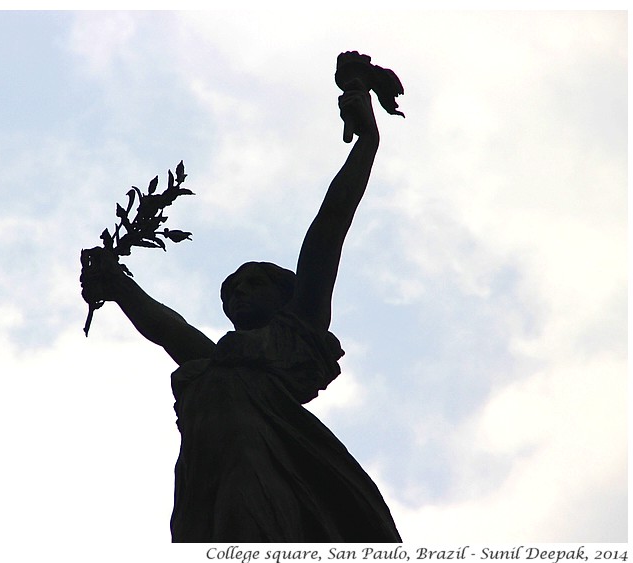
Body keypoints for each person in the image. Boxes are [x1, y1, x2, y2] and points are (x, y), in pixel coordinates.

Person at [80, 86, 402, 542]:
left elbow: (328, 229)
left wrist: (368, 142)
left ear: (286, 295)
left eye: (256, 281)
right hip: (203, 477)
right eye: (230, 289)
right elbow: (170, 331)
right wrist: (118, 286)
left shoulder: (295, 332)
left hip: (267, 460)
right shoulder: (220, 363)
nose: (239, 292)